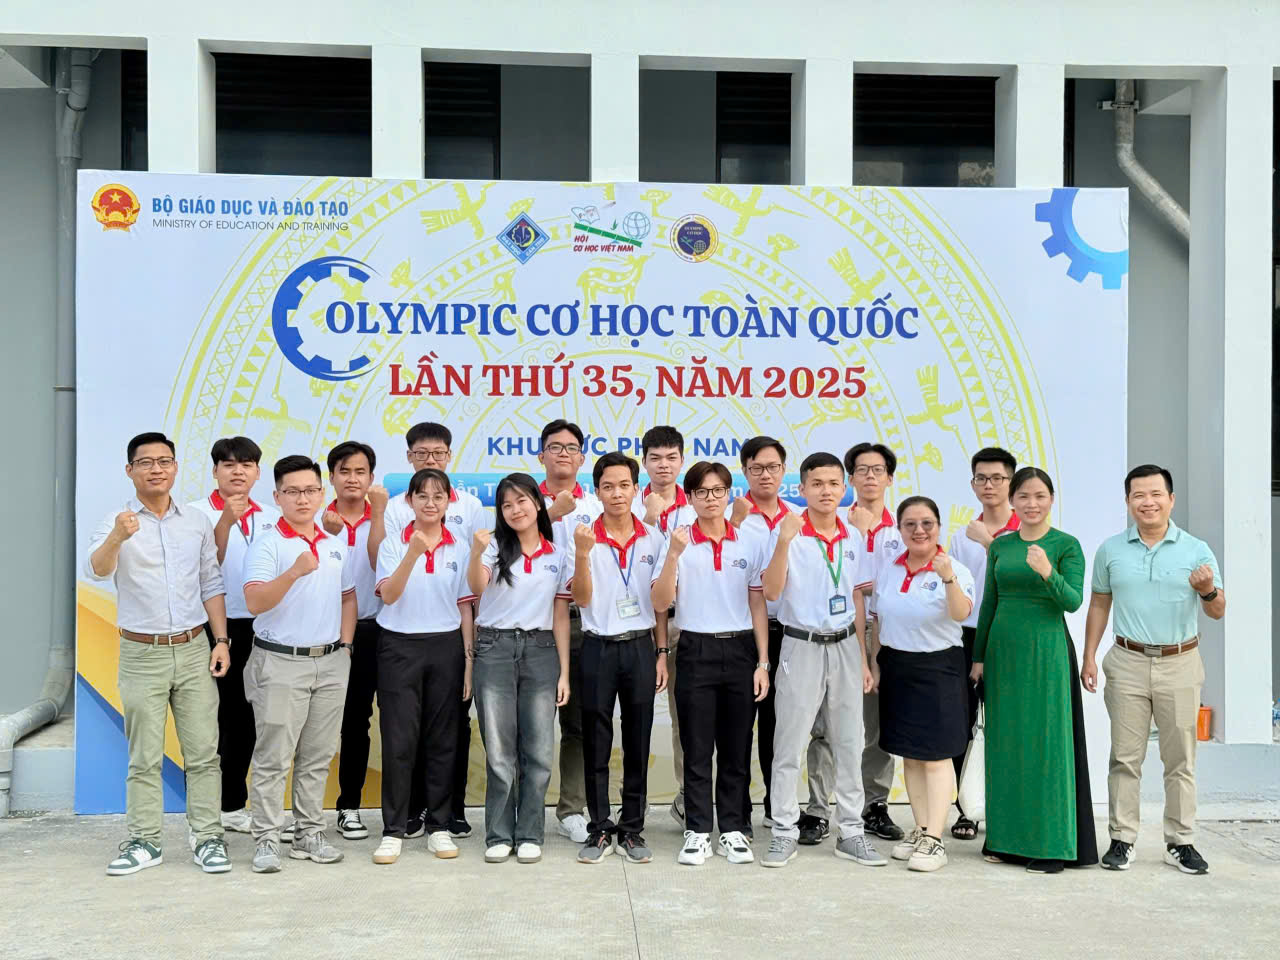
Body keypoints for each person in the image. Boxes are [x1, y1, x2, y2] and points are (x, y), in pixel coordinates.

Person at [87, 432, 232, 876]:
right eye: (145, 462)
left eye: (164, 461)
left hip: (193, 648)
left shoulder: (196, 522)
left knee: (204, 752)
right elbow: (97, 569)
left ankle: (208, 837)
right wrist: (117, 536)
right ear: (129, 470)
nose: (156, 469)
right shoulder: (117, 520)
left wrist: (221, 640)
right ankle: (144, 841)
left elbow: (211, 582)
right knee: (144, 754)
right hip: (141, 651)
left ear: (175, 467)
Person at [1082, 464, 1224, 876]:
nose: (1148, 502)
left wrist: (1207, 590)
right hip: (1126, 660)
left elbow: (1217, 610)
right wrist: (1090, 655)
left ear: (1171, 499)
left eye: (1156, 494)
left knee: (1180, 758)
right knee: (1124, 757)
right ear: (1128, 502)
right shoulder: (1111, 550)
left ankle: (1180, 842)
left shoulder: (1195, 550)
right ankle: (1122, 839)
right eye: (1138, 496)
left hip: (1180, 661)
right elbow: (1099, 604)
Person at [761, 452, 883, 869]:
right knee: (789, 743)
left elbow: (855, 595)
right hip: (802, 644)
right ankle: (782, 831)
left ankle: (851, 831)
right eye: (817, 484)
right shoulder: (789, 532)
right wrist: (782, 542)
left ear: (843, 487)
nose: (826, 492)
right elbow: (772, 592)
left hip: (846, 645)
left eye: (834, 484)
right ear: (802, 488)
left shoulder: (853, 534)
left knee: (849, 741)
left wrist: (865, 658)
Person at [972, 467, 1097, 873]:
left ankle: (1052, 846)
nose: (1031, 504)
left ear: (1052, 499)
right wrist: (978, 658)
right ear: (1012, 501)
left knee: (1047, 746)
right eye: (1023, 496)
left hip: (1046, 652)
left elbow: (1073, 601)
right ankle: (1007, 839)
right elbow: (988, 604)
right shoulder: (1001, 547)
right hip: (1002, 651)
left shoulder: (1066, 545)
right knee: (1006, 745)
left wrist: (1047, 571)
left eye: (1039, 496)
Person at [369, 421, 486, 840]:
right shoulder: (394, 542)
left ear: (448, 501)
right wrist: (413, 553)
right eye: (423, 495)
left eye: (439, 496)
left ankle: (439, 823)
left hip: (446, 646)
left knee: (443, 738)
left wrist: (469, 660)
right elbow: (389, 595)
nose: (431, 502)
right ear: (411, 500)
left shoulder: (460, 542)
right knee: (399, 739)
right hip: (399, 644)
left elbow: (466, 603)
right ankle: (395, 827)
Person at [242, 455, 357, 873]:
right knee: (274, 756)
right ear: (277, 497)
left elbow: (348, 596)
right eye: (292, 491)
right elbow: (255, 601)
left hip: (329, 662)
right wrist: (293, 572)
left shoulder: (333, 542)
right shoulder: (269, 542)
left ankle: (309, 832)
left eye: (310, 490)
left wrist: (345, 646)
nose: (302, 498)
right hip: (280, 661)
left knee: (318, 754)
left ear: (322, 493)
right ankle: (267, 838)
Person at [652, 461, 770, 866]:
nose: (711, 499)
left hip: (740, 651)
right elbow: (661, 602)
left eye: (718, 491)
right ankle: (698, 830)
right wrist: (673, 554)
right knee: (697, 747)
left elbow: (758, 602)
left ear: (728, 493)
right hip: (695, 649)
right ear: (690, 497)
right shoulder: (679, 541)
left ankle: (734, 829)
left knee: (736, 749)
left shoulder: (748, 542)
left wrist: (763, 661)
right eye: (702, 492)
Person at [468, 473, 573, 864]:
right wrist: (474, 552)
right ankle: (498, 833)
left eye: (522, 501)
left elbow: (561, 615)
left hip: (541, 649)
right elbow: (476, 587)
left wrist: (564, 671)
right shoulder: (493, 547)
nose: (515, 510)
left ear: (538, 503)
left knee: (539, 751)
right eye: (507, 504)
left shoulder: (558, 554)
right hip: (494, 647)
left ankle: (530, 832)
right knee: (499, 751)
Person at [572, 452, 668, 864]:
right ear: (597, 491)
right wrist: (581, 553)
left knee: (637, 738)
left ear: (635, 488)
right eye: (607, 486)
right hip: (596, 646)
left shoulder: (654, 537)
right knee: (595, 739)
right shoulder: (583, 536)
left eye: (624, 485)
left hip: (639, 646)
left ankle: (631, 828)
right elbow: (581, 599)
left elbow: (662, 604)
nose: (616, 494)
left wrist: (661, 652)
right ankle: (598, 828)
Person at [870, 495, 974, 873]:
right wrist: (875, 663)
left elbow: (961, 613)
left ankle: (936, 840)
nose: (919, 530)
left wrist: (945, 576)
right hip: (897, 665)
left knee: (936, 755)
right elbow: (878, 621)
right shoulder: (890, 570)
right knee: (910, 754)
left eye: (927, 523)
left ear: (938, 526)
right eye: (910, 524)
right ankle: (921, 828)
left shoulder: (955, 569)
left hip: (938, 668)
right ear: (900, 529)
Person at [187, 435, 278, 837]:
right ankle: (217, 808)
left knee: (253, 720)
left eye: (246, 464)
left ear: (257, 472)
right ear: (215, 471)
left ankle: (237, 805)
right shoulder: (194, 514)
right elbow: (207, 567)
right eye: (228, 464)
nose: (237, 471)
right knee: (216, 719)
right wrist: (224, 519)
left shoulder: (276, 515)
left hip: (263, 626)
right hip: (214, 627)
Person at [728, 436, 805, 837]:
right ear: (745, 471)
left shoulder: (798, 519)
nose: (765, 475)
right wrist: (736, 522)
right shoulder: (730, 517)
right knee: (739, 727)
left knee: (779, 727)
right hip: (742, 634)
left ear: (784, 471)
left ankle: (778, 809)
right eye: (756, 468)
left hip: (788, 634)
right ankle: (736, 813)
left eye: (773, 467)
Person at [944, 446, 1019, 840]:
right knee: (962, 724)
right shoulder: (962, 535)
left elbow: (1014, 576)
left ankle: (1006, 807)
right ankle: (965, 810)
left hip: (1009, 634)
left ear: (1012, 482)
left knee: (1008, 725)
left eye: (997, 478)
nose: (989, 486)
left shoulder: (1026, 530)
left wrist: (989, 540)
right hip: (967, 636)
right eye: (981, 479)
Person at [537, 419, 602, 845]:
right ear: (541, 455)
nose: (563, 453)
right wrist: (548, 515)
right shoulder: (521, 499)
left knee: (579, 725)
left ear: (582, 458)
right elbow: (505, 543)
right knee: (532, 726)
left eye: (572, 447)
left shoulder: (597, 506)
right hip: (535, 625)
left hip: (584, 624)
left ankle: (572, 809)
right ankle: (524, 810)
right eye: (554, 446)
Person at [634, 425, 696, 828]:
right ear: (644, 462)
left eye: (671, 457)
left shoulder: (699, 509)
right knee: (634, 719)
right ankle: (629, 807)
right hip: (635, 625)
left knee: (685, 718)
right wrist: (649, 520)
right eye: (655, 458)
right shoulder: (626, 504)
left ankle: (688, 798)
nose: (663, 465)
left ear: (681, 460)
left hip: (684, 624)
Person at [844, 442, 906, 843]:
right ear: (850, 478)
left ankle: (874, 804)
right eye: (862, 469)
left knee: (878, 724)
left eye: (878, 469)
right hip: (838, 630)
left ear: (889, 478)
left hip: (885, 633)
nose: (870, 476)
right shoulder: (831, 522)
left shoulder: (905, 528)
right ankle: (820, 807)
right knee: (827, 725)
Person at [322, 441, 380, 843]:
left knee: (379, 721)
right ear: (332, 478)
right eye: (344, 471)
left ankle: (358, 806)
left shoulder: (390, 519)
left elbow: (381, 565)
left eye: (360, 472)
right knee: (336, 724)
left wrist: (380, 518)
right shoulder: (315, 518)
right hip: (328, 632)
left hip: (381, 630)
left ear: (371, 478)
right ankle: (342, 807)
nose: (353, 479)